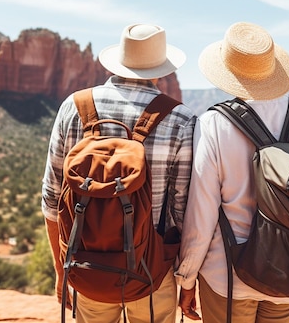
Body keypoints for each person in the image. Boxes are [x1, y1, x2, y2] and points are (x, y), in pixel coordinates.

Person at [42, 23, 196, 323]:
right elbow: (183, 213)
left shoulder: (73, 107)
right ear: (161, 68)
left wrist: (62, 270)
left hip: (86, 267)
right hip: (150, 272)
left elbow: (51, 200)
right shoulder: (181, 119)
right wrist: (187, 280)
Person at [176, 22, 289, 323]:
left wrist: (187, 277)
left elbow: (202, 210)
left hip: (228, 277)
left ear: (227, 71)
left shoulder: (214, 124)